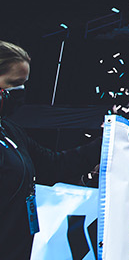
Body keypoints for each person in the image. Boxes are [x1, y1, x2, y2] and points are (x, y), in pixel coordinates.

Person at [0, 41, 102, 257]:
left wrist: (108, 141)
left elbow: (54, 166)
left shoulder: (10, 131)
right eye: (14, 83)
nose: (20, 92)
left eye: (24, 84)